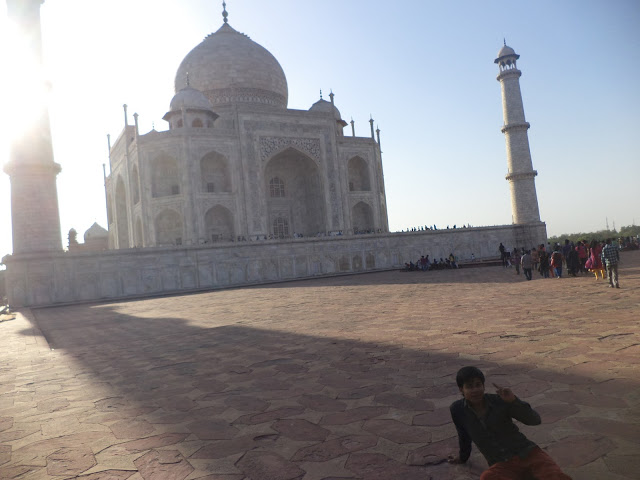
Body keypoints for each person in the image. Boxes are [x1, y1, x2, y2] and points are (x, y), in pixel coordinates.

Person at [448, 366, 572, 480]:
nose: (475, 390)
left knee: (555, 476)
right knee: (487, 477)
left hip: (528, 454)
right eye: (469, 386)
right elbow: (463, 435)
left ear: (483, 386)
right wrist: (462, 457)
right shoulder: (458, 410)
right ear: (461, 390)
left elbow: (535, 420)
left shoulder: (499, 401)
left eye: (478, 385)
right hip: (502, 464)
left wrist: (513, 401)